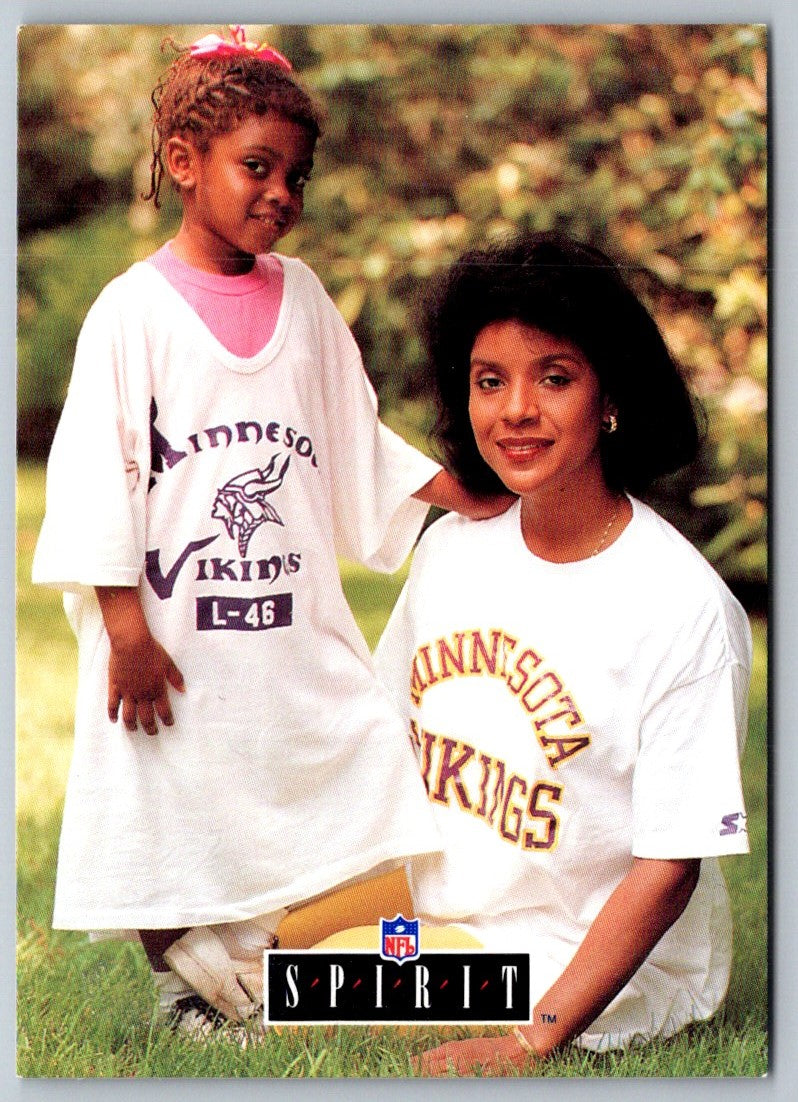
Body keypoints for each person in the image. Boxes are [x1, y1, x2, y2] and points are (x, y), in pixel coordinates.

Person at [32, 26, 508, 1039]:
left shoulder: (304, 301)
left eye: (297, 175)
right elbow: (92, 477)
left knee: (363, 751)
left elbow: (354, 439)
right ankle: (186, 981)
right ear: (182, 162)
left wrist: (459, 491)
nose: (280, 193)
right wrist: (123, 628)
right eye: (257, 167)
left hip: (288, 625)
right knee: (174, 792)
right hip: (170, 636)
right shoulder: (132, 315)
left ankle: (281, 963)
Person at [374, 232, 752, 1074]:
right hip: (449, 917)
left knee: (286, 994)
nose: (514, 410)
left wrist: (529, 1040)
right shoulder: (453, 552)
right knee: (250, 931)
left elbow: (668, 868)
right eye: (489, 381)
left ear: (608, 395)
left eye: (553, 377)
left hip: (580, 964)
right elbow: (377, 742)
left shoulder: (682, 607)